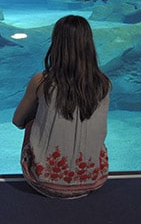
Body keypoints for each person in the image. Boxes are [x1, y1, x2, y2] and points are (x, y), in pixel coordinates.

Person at [12, 15, 111, 198]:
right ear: (89, 44)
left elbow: (17, 121)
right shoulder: (104, 84)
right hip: (94, 180)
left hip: (43, 183)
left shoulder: (42, 81)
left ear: (56, 44)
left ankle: (47, 171)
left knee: (31, 122)